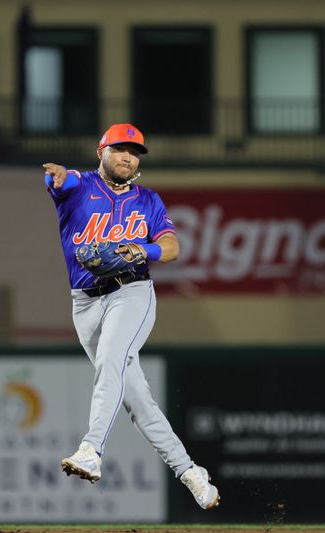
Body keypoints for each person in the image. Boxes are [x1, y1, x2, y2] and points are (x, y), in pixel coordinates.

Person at [42, 123, 220, 510]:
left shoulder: (148, 200)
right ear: (100, 151)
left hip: (132, 291)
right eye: (120, 149)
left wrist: (144, 250)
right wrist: (58, 177)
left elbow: (171, 246)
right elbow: (63, 181)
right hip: (85, 303)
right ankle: (191, 472)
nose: (128, 157)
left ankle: (91, 449)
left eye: (135, 151)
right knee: (137, 400)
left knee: (110, 359)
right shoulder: (80, 186)